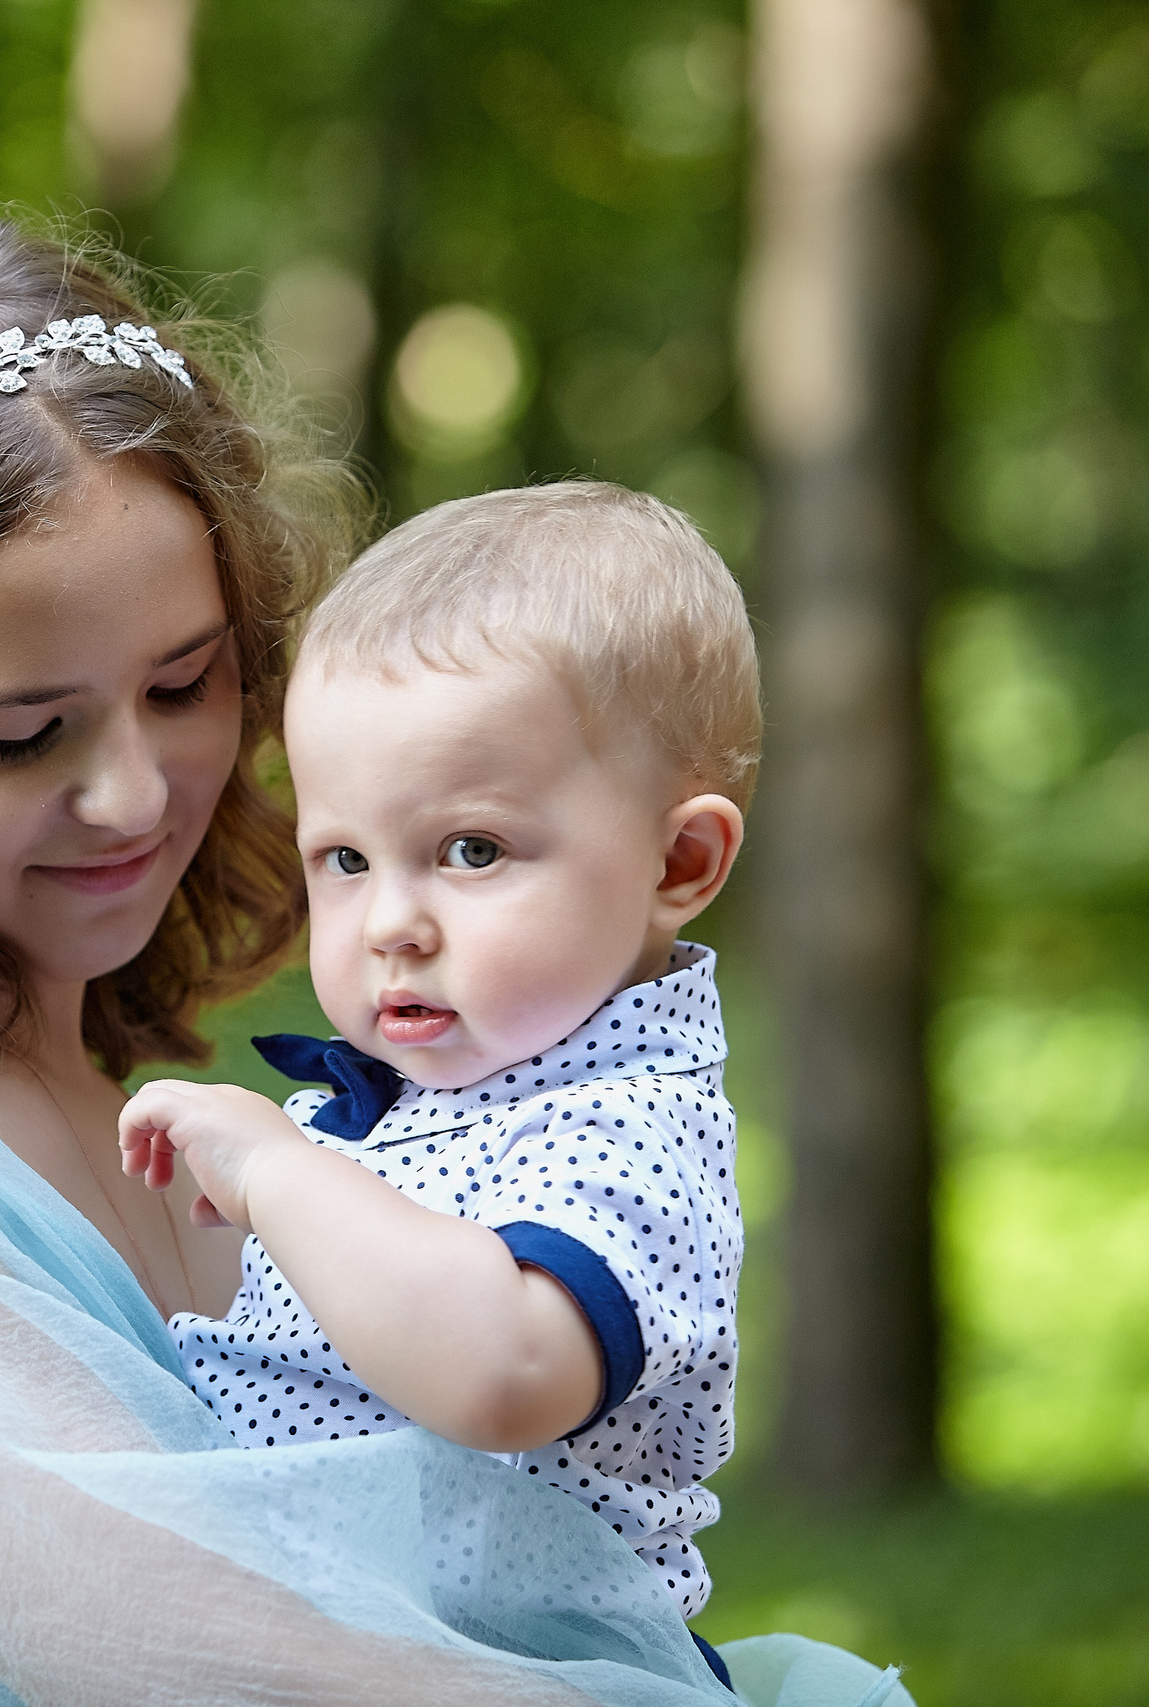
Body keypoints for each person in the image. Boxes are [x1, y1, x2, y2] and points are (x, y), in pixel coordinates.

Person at [0, 211, 907, 1706]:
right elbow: (207, 1665)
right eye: (18, 734)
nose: (133, 792)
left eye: (186, 683)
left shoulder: (152, 1092)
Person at [119, 482, 760, 1683]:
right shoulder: (425, 1108)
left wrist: (278, 1176)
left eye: (471, 851)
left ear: (677, 862)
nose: (391, 924)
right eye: (347, 860)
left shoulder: (628, 1123)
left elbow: (500, 1371)